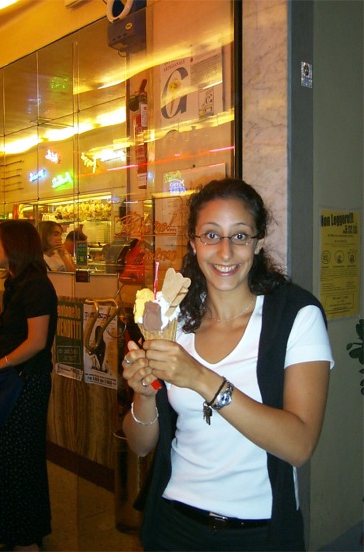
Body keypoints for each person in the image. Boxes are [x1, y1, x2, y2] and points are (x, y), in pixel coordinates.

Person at [122, 178, 334, 552]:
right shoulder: (174, 322)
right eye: (210, 235)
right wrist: (142, 394)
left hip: (259, 532)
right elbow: (140, 447)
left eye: (239, 236)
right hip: (174, 524)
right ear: (193, 242)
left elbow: (299, 445)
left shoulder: (295, 317)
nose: (224, 252)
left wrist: (202, 379)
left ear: (259, 242)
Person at [0, 220, 58, 551]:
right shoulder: (16, 283)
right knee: (7, 459)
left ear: (14, 246)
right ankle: (12, 531)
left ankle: (27, 537)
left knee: (22, 459)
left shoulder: (37, 286)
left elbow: (36, 343)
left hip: (25, 382)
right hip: (11, 379)